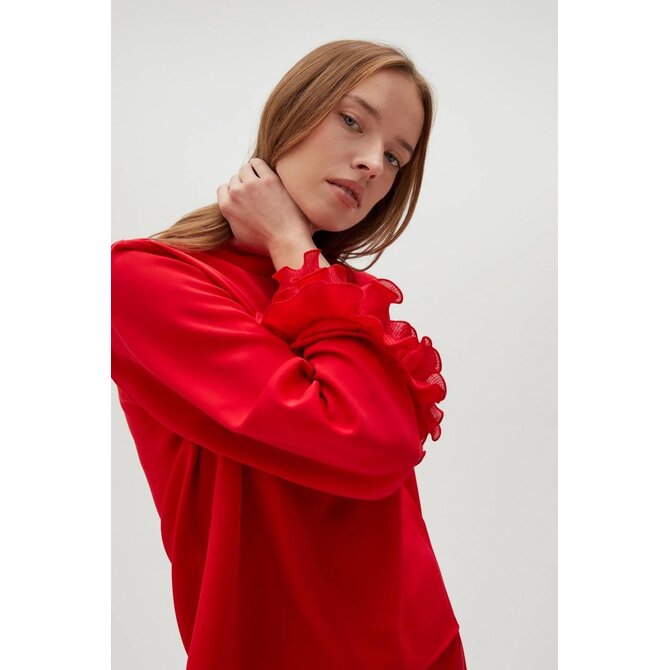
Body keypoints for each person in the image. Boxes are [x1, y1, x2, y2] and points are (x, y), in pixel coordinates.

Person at [111, 39, 467, 669]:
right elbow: (361, 435)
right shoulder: (144, 281)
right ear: (293, 110)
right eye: (352, 120)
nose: (372, 164)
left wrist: (291, 248)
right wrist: (286, 238)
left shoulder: (337, 293)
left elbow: (384, 454)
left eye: (395, 157)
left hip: (419, 647)